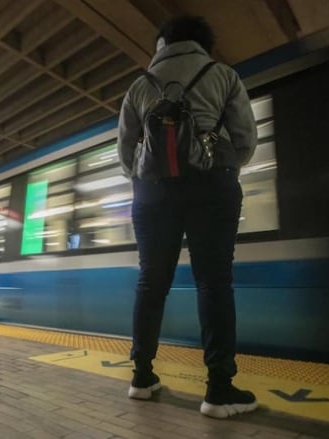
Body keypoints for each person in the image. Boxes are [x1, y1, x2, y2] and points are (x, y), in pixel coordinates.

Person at [117, 16, 258, 418]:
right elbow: (246, 138)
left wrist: (149, 180)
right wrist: (222, 167)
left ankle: (141, 378)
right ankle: (218, 391)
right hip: (212, 187)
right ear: (204, 44)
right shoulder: (222, 75)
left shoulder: (139, 85)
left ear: (162, 44)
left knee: (151, 281)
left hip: (151, 194)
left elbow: (125, 155)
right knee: (213, 283)